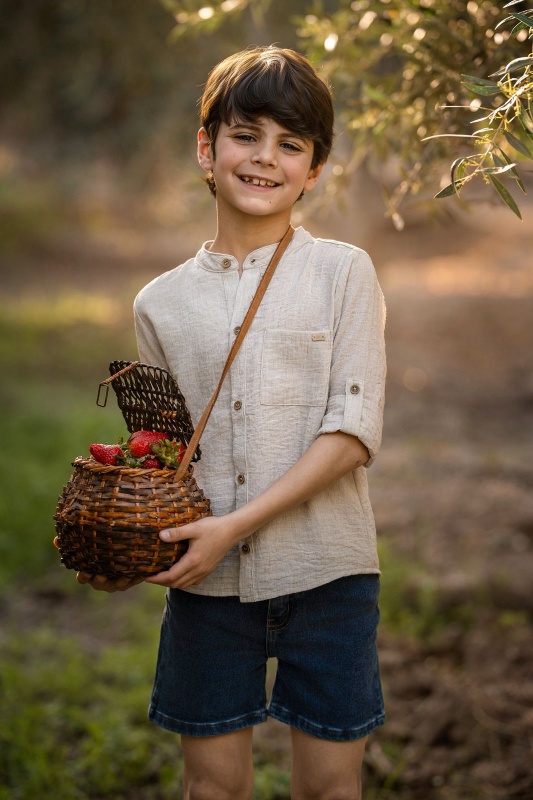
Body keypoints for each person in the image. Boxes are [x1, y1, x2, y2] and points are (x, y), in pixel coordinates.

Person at [78, 45, 387, 800]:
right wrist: (124, 544)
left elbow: (352, 434)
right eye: (246, 135)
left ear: (314, 170)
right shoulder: (159, 303)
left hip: (328, 574)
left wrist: (235, 527)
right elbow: (165, 457)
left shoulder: (343, 273)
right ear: (206, 148)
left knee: (329, 787)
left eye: (290, 144)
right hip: (207, 584)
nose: (264, 158)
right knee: (212, 786)